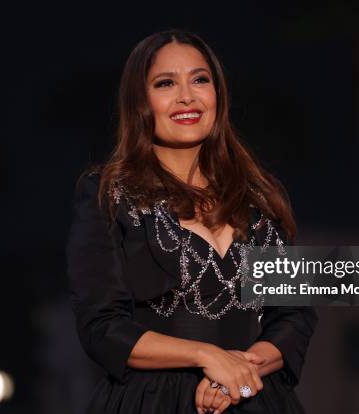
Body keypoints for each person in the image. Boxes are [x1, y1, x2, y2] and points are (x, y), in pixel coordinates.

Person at [67, 30, 317, 414]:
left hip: (253, 398)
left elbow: (293, 315)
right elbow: (102, 328)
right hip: (151, 403)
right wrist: (208, 356)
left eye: (200, 79)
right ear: (140, 101)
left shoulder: (259, 197)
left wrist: (237, 373)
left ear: (218, 94)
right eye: (166, 83)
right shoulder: (108, 194)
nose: (187, 96)